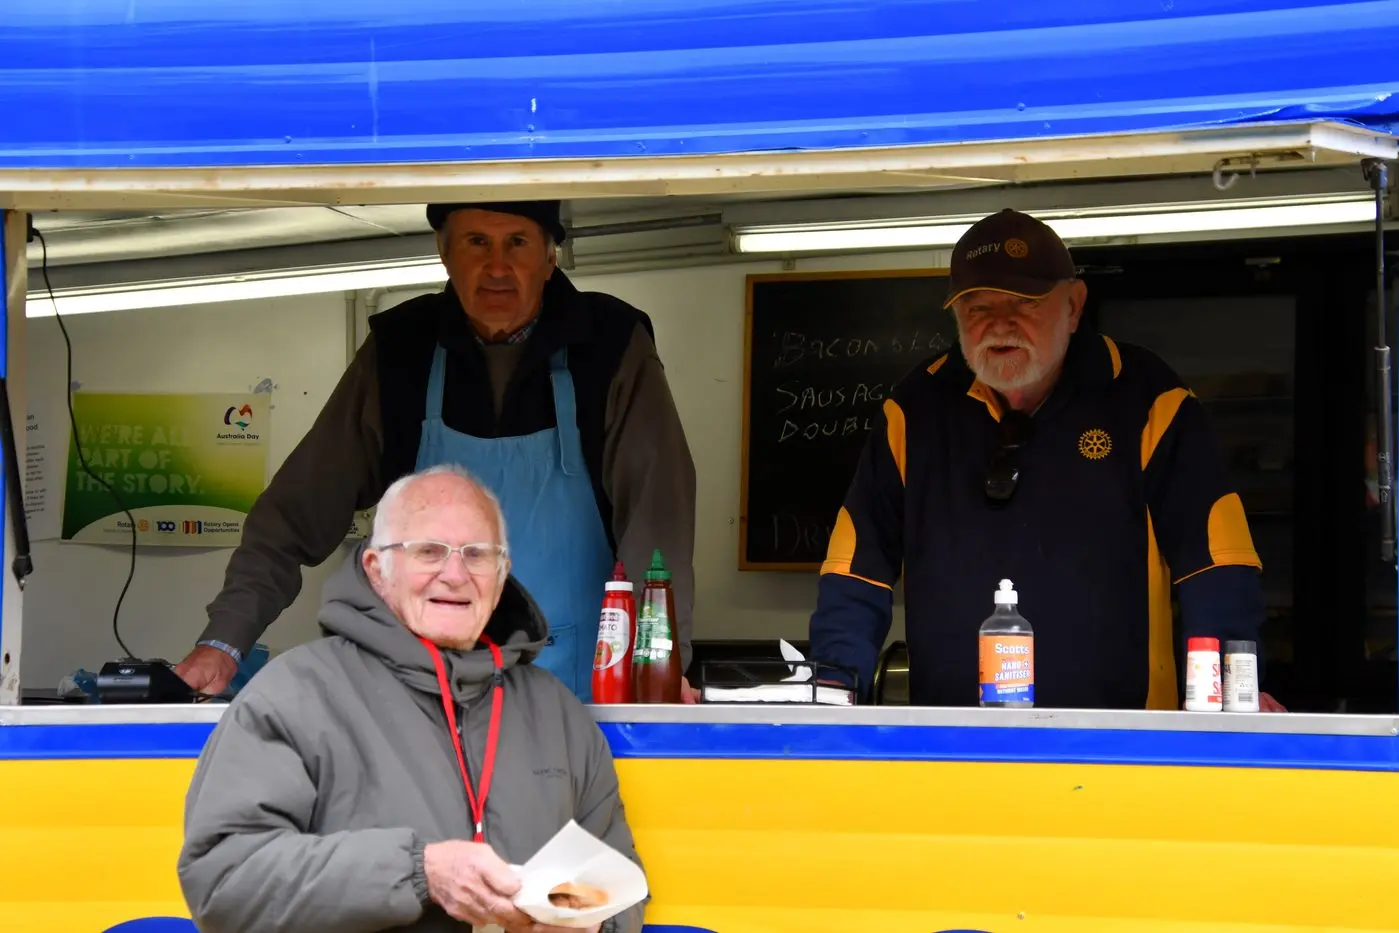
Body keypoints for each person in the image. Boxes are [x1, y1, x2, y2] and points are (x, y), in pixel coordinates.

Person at [176, 199, 699, 703]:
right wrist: (225, 640)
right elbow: (292, 515)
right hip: (420, 694)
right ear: (444, 253)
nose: (498, 266)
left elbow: (658, 524)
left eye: (517, 243)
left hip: (574, 689)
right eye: (477, 242)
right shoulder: (401, 349)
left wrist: (660, 669)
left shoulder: (610, 346)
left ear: (549, 258)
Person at [808, 208, 1284, 712]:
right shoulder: (914, 410)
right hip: (954, 735)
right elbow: (855, 570)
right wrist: (833, 687)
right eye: (977, 308)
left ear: (1074, 305)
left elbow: (1216, 562)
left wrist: (1236, 694)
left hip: (1123, 738)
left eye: (1024, 304)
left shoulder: (1148, 398)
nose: (999, 325)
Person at [177, 464, 647, 933]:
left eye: (477, 554)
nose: (455, 575)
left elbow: (619, 880)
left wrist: (596, 926)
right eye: (428, 551)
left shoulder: (556, 713)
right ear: (376, 570)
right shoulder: (293, 695)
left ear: (502, 573)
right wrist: (418, 872)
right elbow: (223, 881)